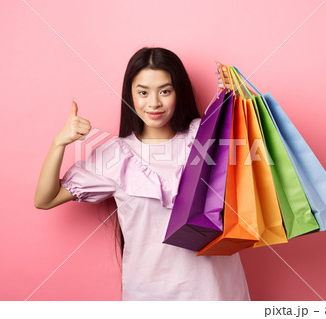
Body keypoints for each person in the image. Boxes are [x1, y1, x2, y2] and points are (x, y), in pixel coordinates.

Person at [34, 47, 250, 301]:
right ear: (131, 95)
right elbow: (45, 199)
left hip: (216, 293)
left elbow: (257, 166)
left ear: (178, 93)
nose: (154, 103)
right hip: (150, 296)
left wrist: (236, 103)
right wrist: (59, 143)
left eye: (165, 91)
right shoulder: (114, 155)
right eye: (143, 92)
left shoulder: (204, 135)